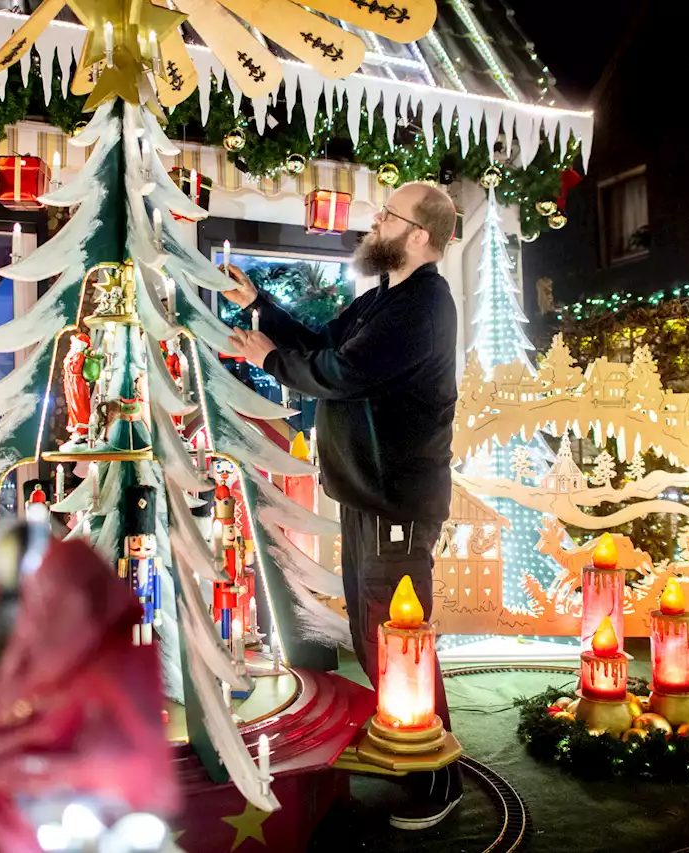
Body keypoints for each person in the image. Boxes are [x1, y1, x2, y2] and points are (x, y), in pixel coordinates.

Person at [224, 182, 462, 830]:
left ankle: (437, 781)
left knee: (398, 640)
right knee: (375, 635)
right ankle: (406, 747)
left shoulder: (423, 308)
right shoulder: (383, 300)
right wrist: (262, 307)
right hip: (369, 496)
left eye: (389, 215)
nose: (375, 221)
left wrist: (269, 357)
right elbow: (321, 342)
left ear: (420, 236)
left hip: (396, 502)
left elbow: (337, 373)